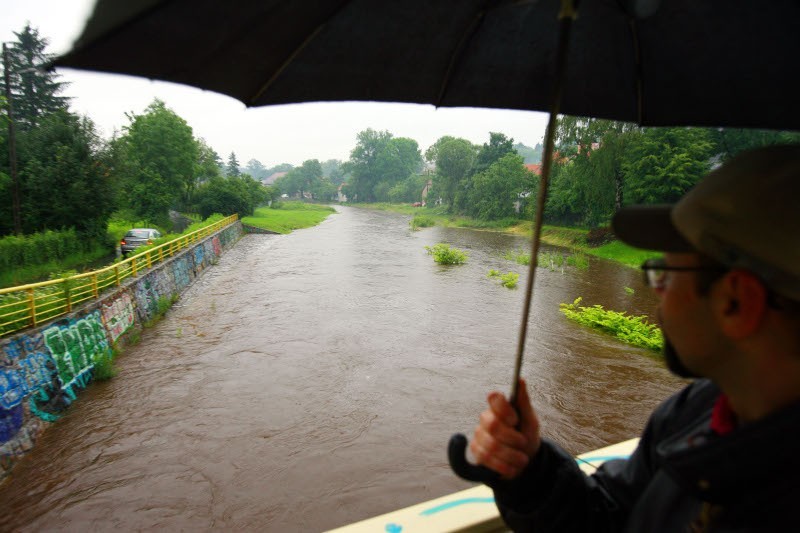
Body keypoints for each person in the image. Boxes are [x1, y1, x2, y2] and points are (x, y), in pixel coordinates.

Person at [470, 144, 800, 532]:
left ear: (736, 302)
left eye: (664, 273)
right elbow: (612, 516)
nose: (655, 291)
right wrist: (532, 474)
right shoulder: (695, 414)